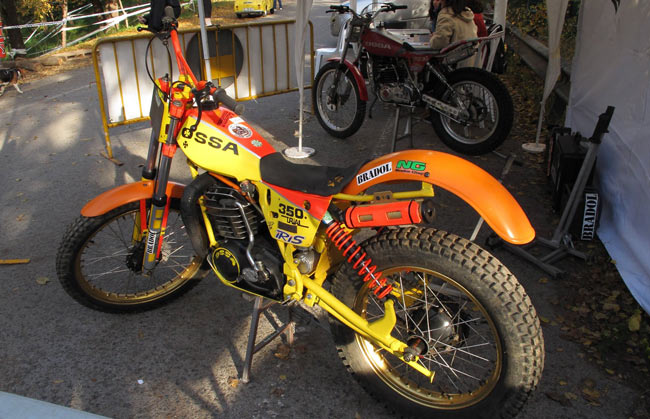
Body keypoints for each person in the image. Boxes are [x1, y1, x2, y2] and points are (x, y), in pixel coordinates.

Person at [429, 0, 478, 66]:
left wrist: (432, 38)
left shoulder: (446, 14)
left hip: (455, 63)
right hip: (473, 63)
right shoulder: (467, 13)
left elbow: (439, 43)